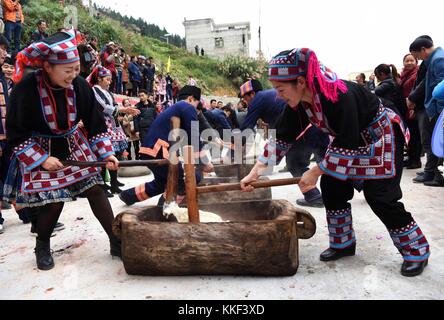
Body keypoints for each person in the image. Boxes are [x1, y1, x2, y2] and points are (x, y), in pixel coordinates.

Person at [241, 48, 430, 277]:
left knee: (380, 196)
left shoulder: (338, 94)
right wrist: (256, 171)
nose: (278, 96)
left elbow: (347, 142)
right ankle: (343, 243)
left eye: (281, 90)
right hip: (349, 139)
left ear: (301, 81)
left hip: (381, 136)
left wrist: (316, 170)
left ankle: (416, 250)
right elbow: (283, 136)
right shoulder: (300, 102)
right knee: (333, 186)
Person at [5, 30, 123, 270]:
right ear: (47, 66)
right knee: (54, 200)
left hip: (73, 144)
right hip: (40, 147)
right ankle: (42, 245)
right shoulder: (25, 89)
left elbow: (95, 121)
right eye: (67, 70)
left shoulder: (79, 85)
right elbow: (16, 132)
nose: (74, 75)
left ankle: (116, 240)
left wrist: (106, 153)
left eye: (77, 69)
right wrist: (42, 160)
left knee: (96, 189)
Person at [119, 85, 214, 207]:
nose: (196, 109)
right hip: (158, 150)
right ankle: (163, 211)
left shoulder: (176, 107)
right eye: (196, 103)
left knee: (161, 183)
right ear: (191, 98)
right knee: (180, 181)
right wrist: (204, 161)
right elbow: (193, 135)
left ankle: (127, 195)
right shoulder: (187, 107)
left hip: (150, 149)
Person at [239, 79, 328, 208]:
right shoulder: (272, 97)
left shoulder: (258, 99)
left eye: (244, 98)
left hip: (299, 134)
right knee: (327, 159)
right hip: (314, 129)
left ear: (251, 94)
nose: (245, 102)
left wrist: (237, 146)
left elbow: (247, 126)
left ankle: (313, 196)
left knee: (296, 164)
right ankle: (362, 182)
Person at [88, 66, 139, 195]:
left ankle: (114, 183)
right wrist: (124, 110)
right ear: (99, 79)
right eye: (107, 79)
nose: (110, 82)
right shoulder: (94, 90)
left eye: (110, 79)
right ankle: (103, 184)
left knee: (114, 154)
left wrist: (124, 110)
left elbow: (114, 107)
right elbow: (103, 107)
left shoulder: (108, 92)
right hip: (102, 126)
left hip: (113, 125)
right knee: (103, 155)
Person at [409, 35, 444, 187]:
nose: (418, 59)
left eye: (417, 55)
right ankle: (434, 173)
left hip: (438, 109)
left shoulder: (438, 60)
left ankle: (439, 176)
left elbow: (441, 90)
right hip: (435, 108)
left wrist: (439, 113)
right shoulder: (435, 58)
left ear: (423, 50)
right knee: (433, 142)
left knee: (438, 143)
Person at [400, 53, 422, 169]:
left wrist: (413, 107)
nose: (409, 63)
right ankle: (411, 158)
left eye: (411, 60)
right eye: (406, 61)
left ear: (416, 62)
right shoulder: (403, 75)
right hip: (405, 108)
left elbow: (417, 91)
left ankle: (416, 161)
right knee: (409, 135)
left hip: (413, 108)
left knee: (415, 135)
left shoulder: (417, 73)